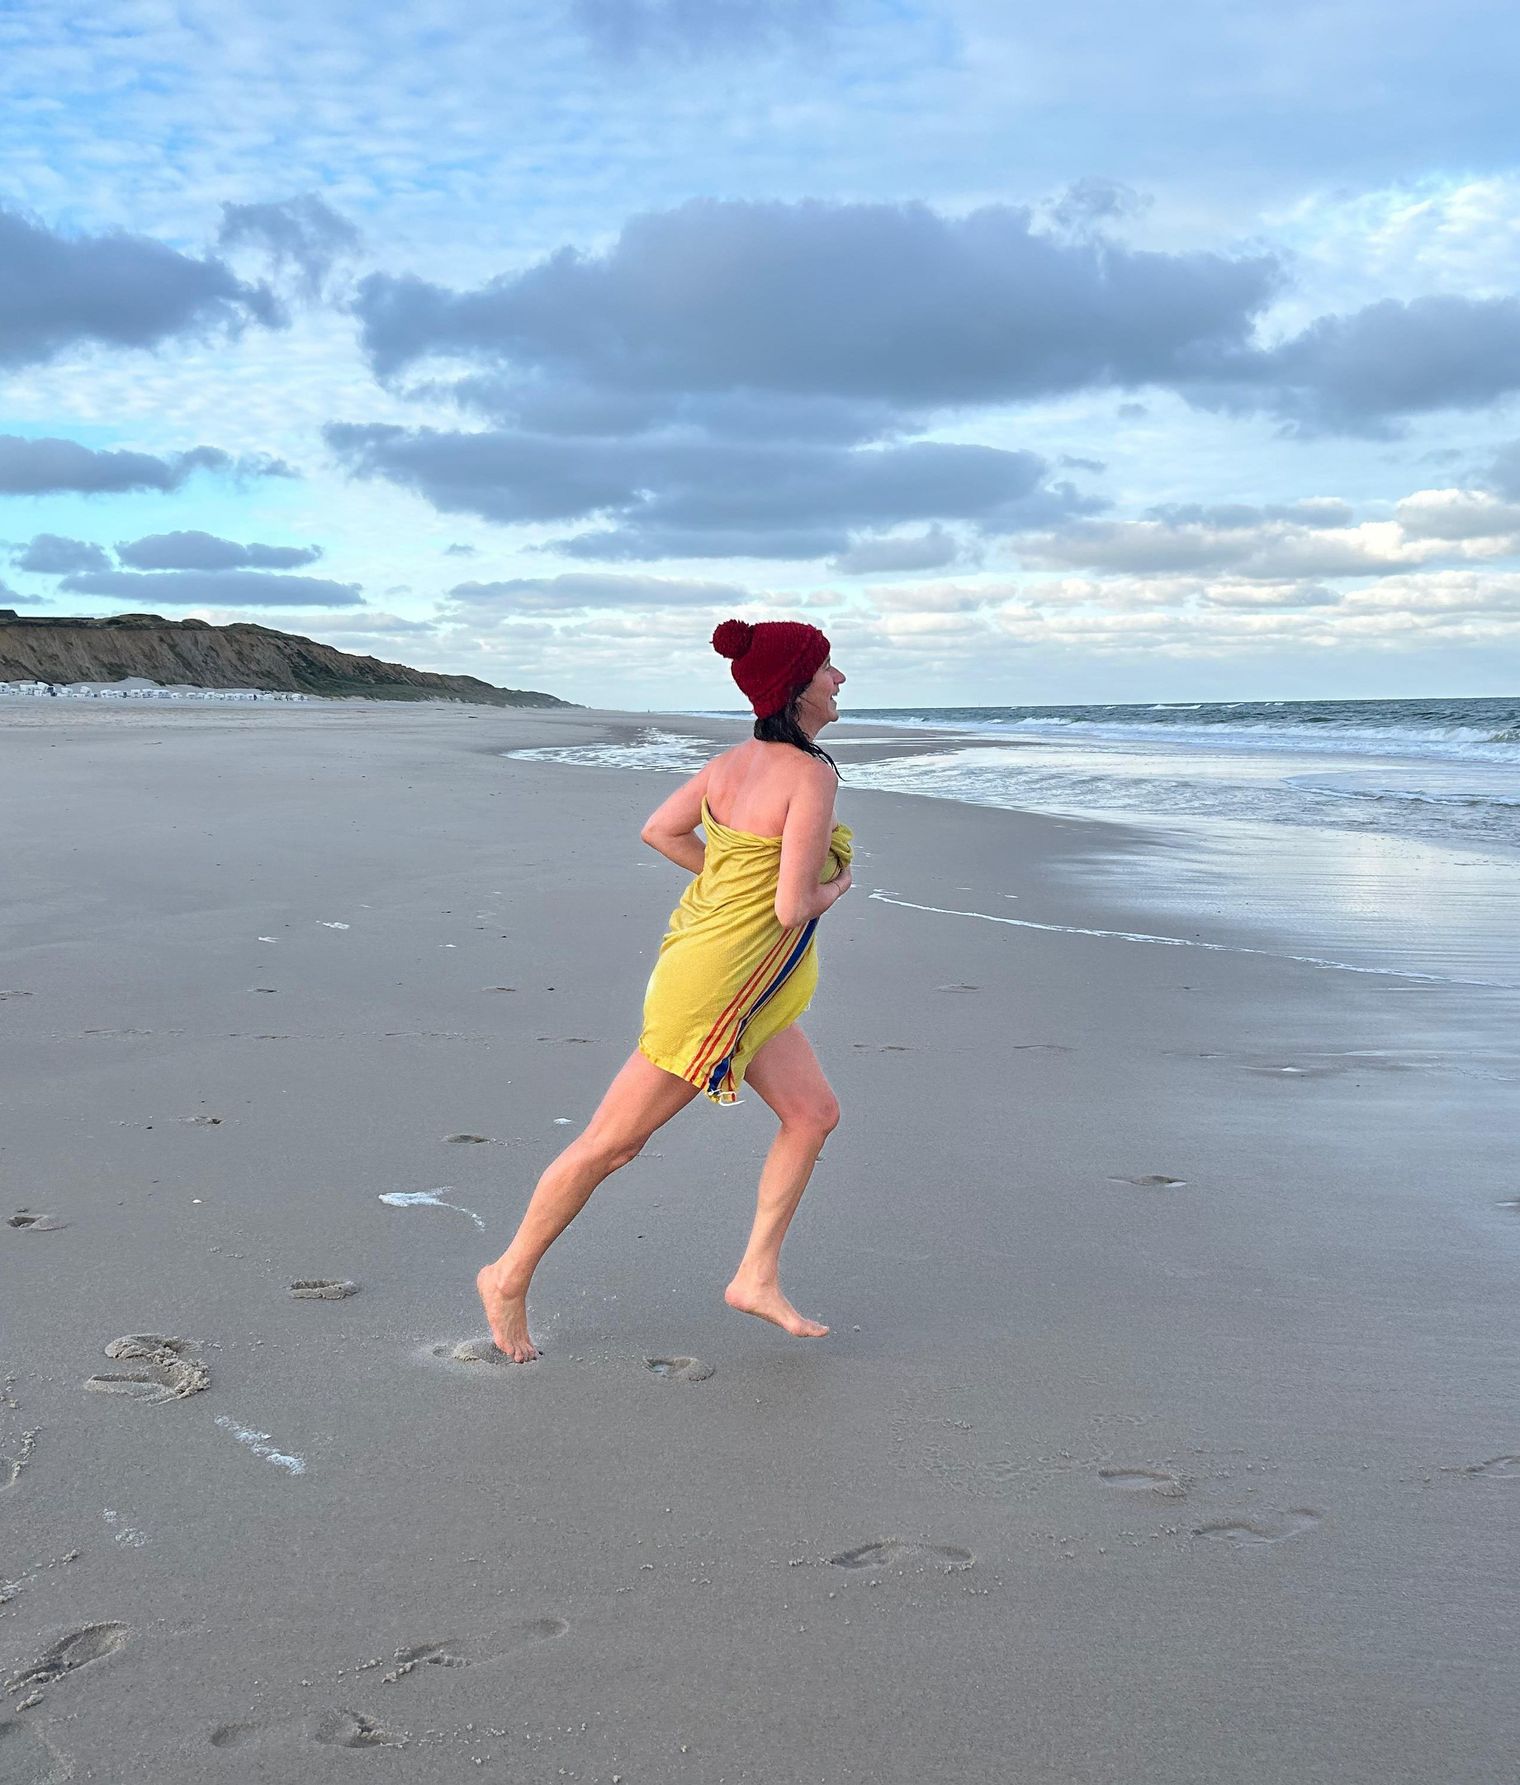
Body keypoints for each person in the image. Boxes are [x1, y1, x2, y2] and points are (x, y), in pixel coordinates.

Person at [476, 618, 853, 1362]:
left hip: (735, 979)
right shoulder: (810, 774)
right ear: (796, 686)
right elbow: (790, 904)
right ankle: (507, 1273)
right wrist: (836, 886)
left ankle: (756, 1274)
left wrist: (728, 881)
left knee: (812, 1113)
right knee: (611, 1145)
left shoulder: (728, 764)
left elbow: (661, 830)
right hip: (722, 986)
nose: (840, 679)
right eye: (829, 668)